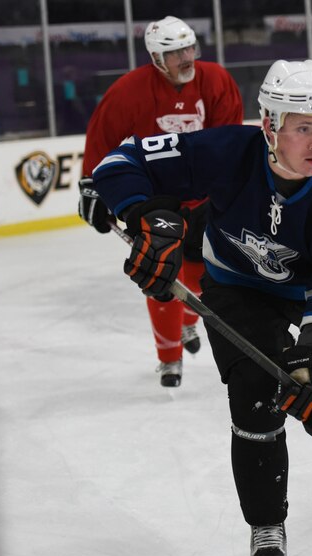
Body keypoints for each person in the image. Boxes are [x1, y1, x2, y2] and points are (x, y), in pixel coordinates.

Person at [91, 59, 312, 556]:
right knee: (254, 400)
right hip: (237, 289)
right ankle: (265, 521)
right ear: (270, 125)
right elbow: (120, 162)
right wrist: (148, 213)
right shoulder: (227, 151)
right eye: (303, 128)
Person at [78, 15, 243, 387]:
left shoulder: (216, 80)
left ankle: (188, 321)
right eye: (175, 53)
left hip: (204, 194)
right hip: (155, 196)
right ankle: (169, 357)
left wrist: (226, 190)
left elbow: (229, 139)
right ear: (156, 58)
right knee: (161, 271)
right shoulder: (128, 91)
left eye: (190, 49)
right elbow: (102, 138)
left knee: (203, 278)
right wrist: (91, 184)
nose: (187, 58)